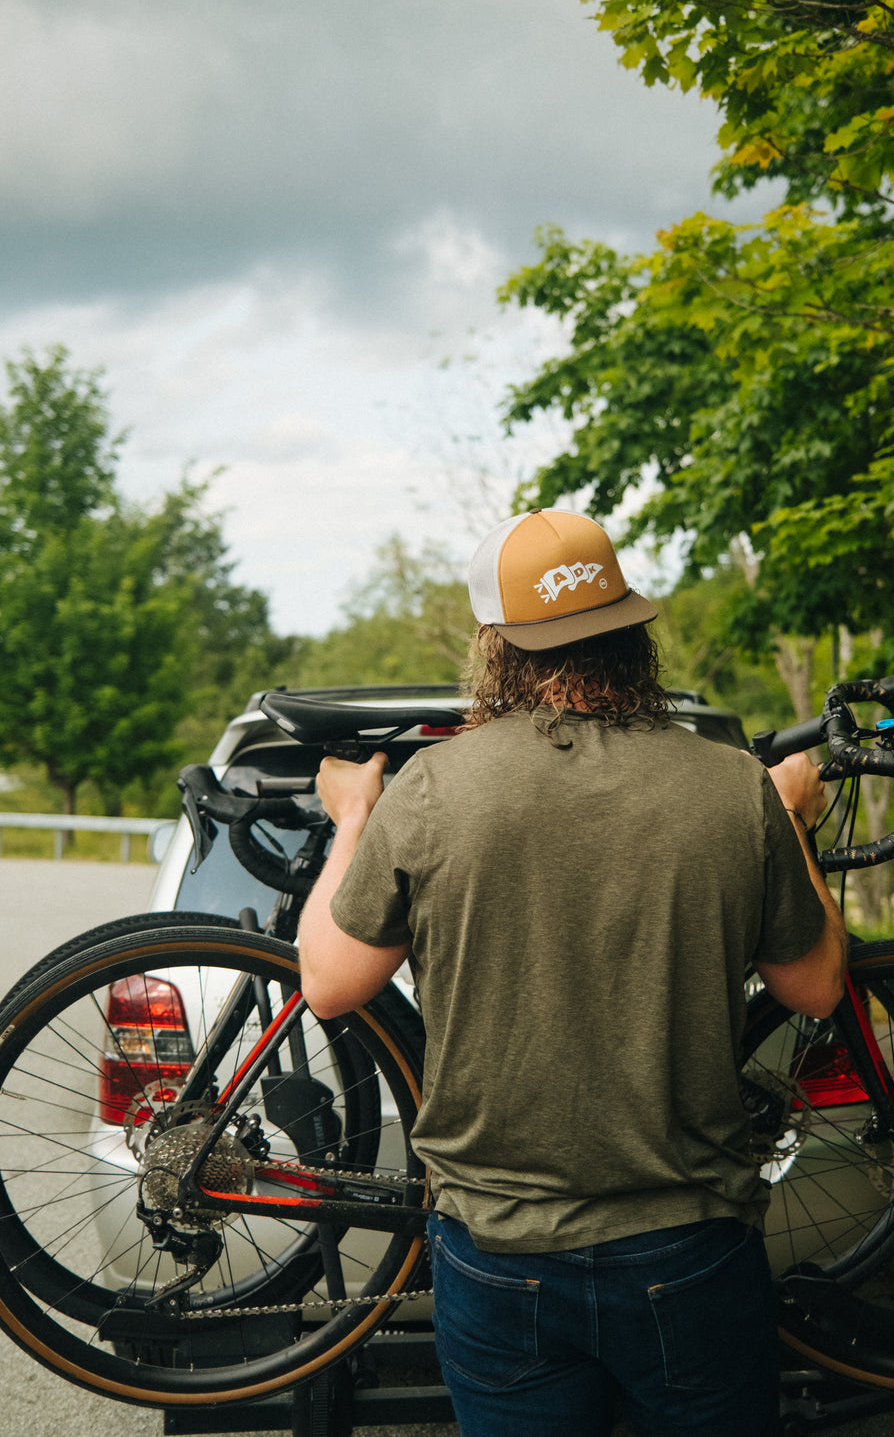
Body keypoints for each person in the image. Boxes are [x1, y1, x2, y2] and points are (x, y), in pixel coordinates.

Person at [299, 508, 847, 1437]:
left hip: (497, 1253)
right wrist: (791, 816)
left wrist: (354, 817)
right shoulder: (732, 787)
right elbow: (817, 989)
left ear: (494, 645)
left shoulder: (433, 789)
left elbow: (329, 983)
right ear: (634, 630)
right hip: (692, 1244)